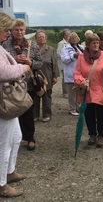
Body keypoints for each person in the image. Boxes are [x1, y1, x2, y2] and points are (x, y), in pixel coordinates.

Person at [0, 13, 31, 198]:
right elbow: (2, 71)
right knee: (4, 143)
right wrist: (22, 69)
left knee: (16, 137)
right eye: (6, 30)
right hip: (2, 103)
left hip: (6, 100)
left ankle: (9, 172)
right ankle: (1, 184)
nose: (8, 33)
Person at [2, 19, 43, 151]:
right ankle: (14, 140)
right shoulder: (4, 45)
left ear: (25, 31)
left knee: (28, 110)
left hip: (29, 84)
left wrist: (30, 63)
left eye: (21, 30)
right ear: (11, 31)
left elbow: (40, 63)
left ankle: (30, 138)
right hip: (11, 85)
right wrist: (15, 60)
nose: (19, 32)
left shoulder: (32, 45)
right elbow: (3, 67)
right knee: (13, 110)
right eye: (16, 30)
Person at [74, 33, 103, 148]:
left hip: (101, 90)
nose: (96, 45)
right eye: (93, 43)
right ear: (88, 44)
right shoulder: (82, 57)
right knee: (89, 113)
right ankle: (92, 134)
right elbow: (77, 73)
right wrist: (81, 80)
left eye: (97, 42)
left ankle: (101, 136)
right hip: (88, 90)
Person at [33, 30, 60, 122]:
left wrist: (55, 76)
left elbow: (55, 64)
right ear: (36, 39)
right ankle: (34, 115)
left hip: (47, 76)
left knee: (47, 96)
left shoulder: (51, 49)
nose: (41, 38)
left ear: (46, 38)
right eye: (39, 37)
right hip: (34, 77)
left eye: (43, 36)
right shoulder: (32, 49)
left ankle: (47, 114)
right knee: (35, 96)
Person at [61, 32, 84, 116]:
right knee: (72, 93)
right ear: (69, 40)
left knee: (79, 92)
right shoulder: (65, 48)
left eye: (75, 38)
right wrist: (73, 56)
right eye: (72, 38)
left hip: (80, 73)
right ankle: (72, 108)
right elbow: (64, 60)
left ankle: (78, 107)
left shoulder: (81, 47)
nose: (74, 40)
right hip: (71, 73)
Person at [57, 29, 71, 98]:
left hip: (70, 64)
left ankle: (69, 92)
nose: (69, 35)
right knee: (65, 78)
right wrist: (65, 57)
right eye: (68, 34)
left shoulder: (70, 43)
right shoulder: (61, 43)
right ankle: (65, 92)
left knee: (69, 77)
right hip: (63, 64)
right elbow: (58, 53)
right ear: (65, 35)